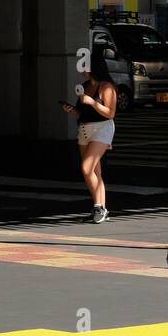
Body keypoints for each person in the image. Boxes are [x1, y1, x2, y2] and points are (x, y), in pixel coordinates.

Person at [63, 45, 117, 224]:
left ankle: (100, 207)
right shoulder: (85, 86)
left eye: (86, 65)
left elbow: (110, 112)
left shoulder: (106, 86)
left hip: (102, 128)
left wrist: (92, 102)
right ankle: (99, 206)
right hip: (85, 129)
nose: (83, 69)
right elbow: (82, 113)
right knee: (94, 171)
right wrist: (72, 111)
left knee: (86, 168)